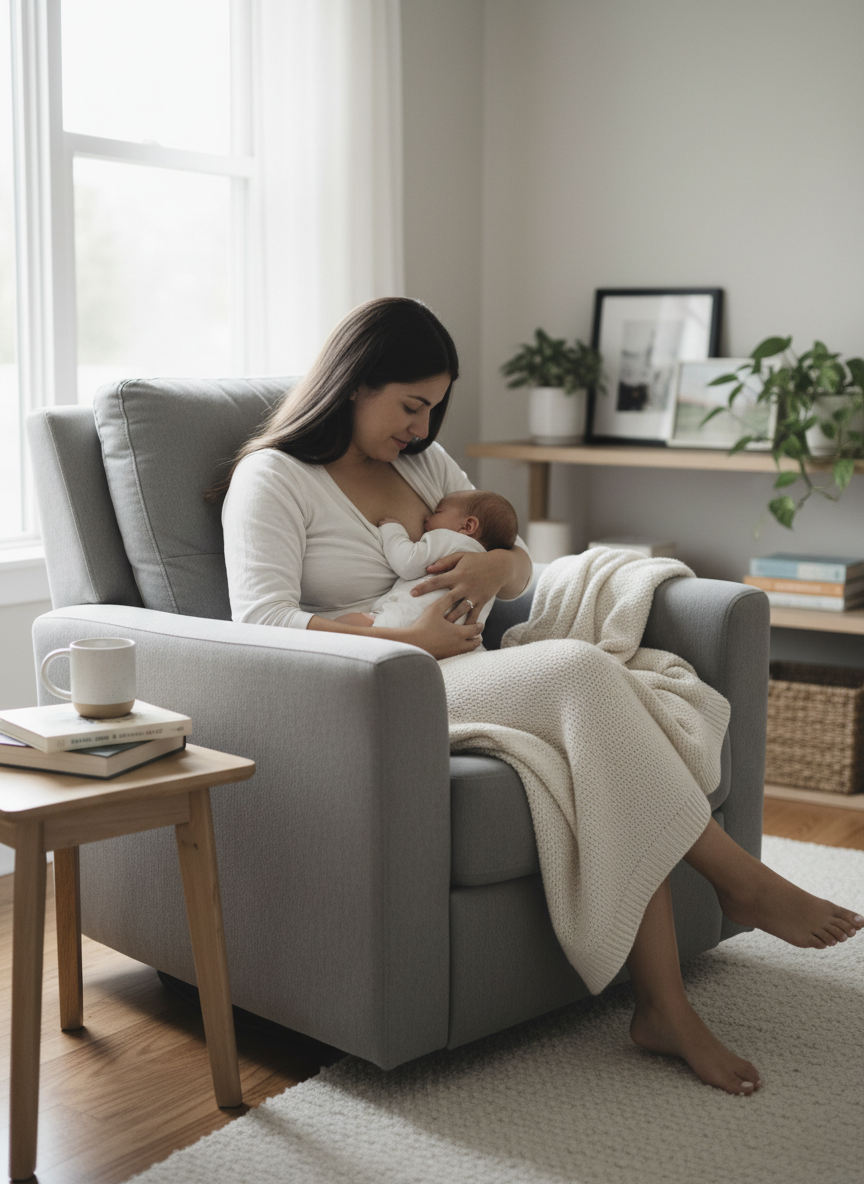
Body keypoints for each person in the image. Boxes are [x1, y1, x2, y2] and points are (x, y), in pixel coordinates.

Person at [218, 296, 863, 1097]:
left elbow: (516, 560)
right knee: (580, 670)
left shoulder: (422, 464)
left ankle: (663, 1008)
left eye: (433, 410)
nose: (421, 430)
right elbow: (262, 620)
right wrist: (407, 643)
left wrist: (496, 570)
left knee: (608, 725)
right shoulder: (273, 479)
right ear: (355, 382)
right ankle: (739, 879)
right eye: (410, 406)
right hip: (377, 693)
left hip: (465, 670)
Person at [334, 489, 518, 631]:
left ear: (468, 525)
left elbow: (408, 564)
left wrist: (393, 530)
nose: (428, 517)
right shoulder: (488, 570)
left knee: (344, 625)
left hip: (407, 621)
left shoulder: (449, 539)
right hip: (457, 637)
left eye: (438, 512)